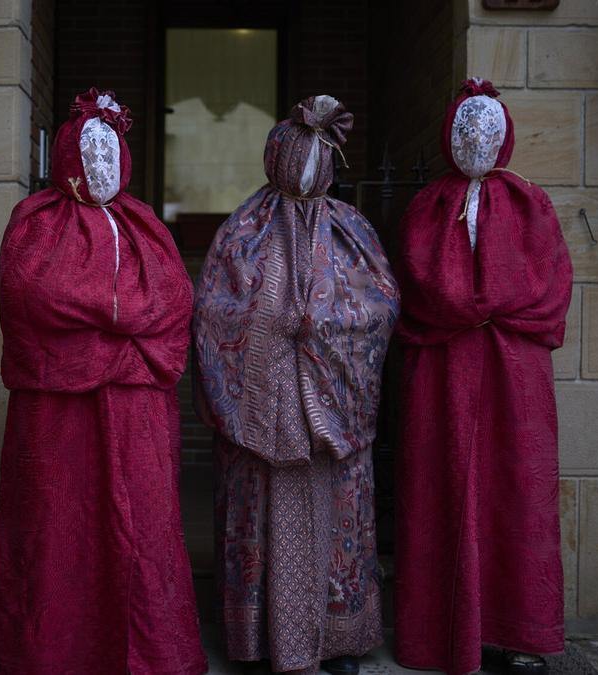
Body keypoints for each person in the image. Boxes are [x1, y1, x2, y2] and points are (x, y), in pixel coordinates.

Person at [0, 88, 208, 675]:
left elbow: (172, 303)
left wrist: (104, 329)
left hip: (138, 415)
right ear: (67, 157)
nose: (102, 167)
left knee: (142, 534)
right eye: (91, 153)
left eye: (111, 152)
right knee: (59, 534)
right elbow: (35, 299)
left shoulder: (145, 227)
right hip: (59, 420)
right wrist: (122, 332)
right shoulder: (35, 224)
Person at [193, 95, 400, 675]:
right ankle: (258, 638)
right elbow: (211, 310)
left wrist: (325, 327)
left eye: (318, 155)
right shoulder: (243, 229)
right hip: (264, 409)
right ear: (277, 156)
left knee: (337, 514)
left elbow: (380, 305)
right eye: (298, 154)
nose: (307, 168)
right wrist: (271, 327)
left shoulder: (353, 228)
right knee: (257, 514)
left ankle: (338, 641)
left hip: (328, 416)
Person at [392, 79, 573, 675]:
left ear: (505, 137)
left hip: (511, 372)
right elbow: (417, 282)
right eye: (466, 130)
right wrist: (472, 307)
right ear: (450, 135)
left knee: (514, 491)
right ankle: (438, 631)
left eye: (487, 130)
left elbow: (549, 282)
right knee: (439, 487)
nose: (476, 141)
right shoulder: (428, 206)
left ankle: (519, 629)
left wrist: (490, 305)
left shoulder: (530, 204)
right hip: (443, 367)